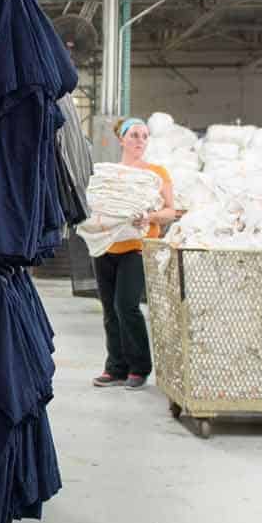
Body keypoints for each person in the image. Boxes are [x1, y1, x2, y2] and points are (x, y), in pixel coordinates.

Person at [92, 117, 178, 390]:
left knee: (126, 305)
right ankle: (115, 368)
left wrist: (149, 217)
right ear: (122, 139)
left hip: (137, 247)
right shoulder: (110, 175)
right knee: (109, 309)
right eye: (134, 136)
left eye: (144, 136)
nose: (140, 141)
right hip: (106, 245)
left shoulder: (156, 173)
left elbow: (170, 211)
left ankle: (140, 367)